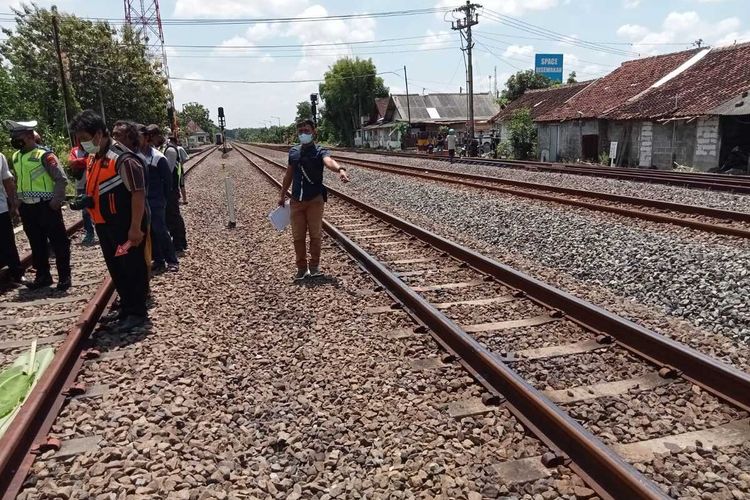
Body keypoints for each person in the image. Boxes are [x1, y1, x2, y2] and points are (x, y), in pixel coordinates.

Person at [70, 110, 149, 331]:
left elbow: (138, 193)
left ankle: (137, 312)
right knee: (117, 268)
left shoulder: (123, 158)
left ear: (99, 134)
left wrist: (135, 228)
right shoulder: (95, 158)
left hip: (125, 228)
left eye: (85, 139)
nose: (83, 144)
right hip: (106, 226)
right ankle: (127, 308)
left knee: (131, 267)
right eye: (80, 140)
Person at [279, 119, 349, 281]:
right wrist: (282, 194)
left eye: (307, 131)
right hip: (296, 201)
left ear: (314, 132)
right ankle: (302, 269)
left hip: (315, 200)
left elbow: (328, 161)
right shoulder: (294, 152)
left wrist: (340, 169)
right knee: (298, 236)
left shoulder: (320, 151)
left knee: (315, 234)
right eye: (301, 131)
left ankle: (314, 267)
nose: (304, 134)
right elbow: (289, 174)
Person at [4, 120, 71, 290]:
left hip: (46, 206)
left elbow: (60, 179)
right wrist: (18, 202)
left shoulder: (45, 155)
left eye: (17, 137)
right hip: (28, 208)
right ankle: (43, 276)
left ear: (28, 136)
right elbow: (19, 180)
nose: (14, 140)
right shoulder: (16, 156)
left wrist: (55, 202)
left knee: (58, 242)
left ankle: (64, 277)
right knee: (36, 243)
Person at [137, 124, 178, 273]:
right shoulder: (134, 156)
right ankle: (158, 260)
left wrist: (164, 200)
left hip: (156, 200)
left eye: (139, 137)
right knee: (149, 232)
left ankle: (172, 260)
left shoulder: (157, 157)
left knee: (160, 230)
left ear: (146, 138)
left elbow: (168, 182)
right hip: (142, 201)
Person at [158, 129, 188, 253]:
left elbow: (168, 172)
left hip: (171, 189)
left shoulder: (169, 150)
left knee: (173, 216)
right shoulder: (166, 149)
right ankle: (178, 242)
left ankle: (179, 242)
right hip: (171, 187)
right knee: (171, 216)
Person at [0, 151, 24, 284]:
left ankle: (17, 273)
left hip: (1, 208)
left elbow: (7, 181)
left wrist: (14, 204)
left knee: (8, 242)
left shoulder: (0, 157)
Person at [68, 143, 96, 245]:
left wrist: (79, 162)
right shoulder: (74, 150)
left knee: (96, 209)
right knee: (85, 212)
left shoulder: (93, 149)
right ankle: (90, 233)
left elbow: (93, 161)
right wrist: (84, 161)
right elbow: (71, 162)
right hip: (80, 185)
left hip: (93, 184)